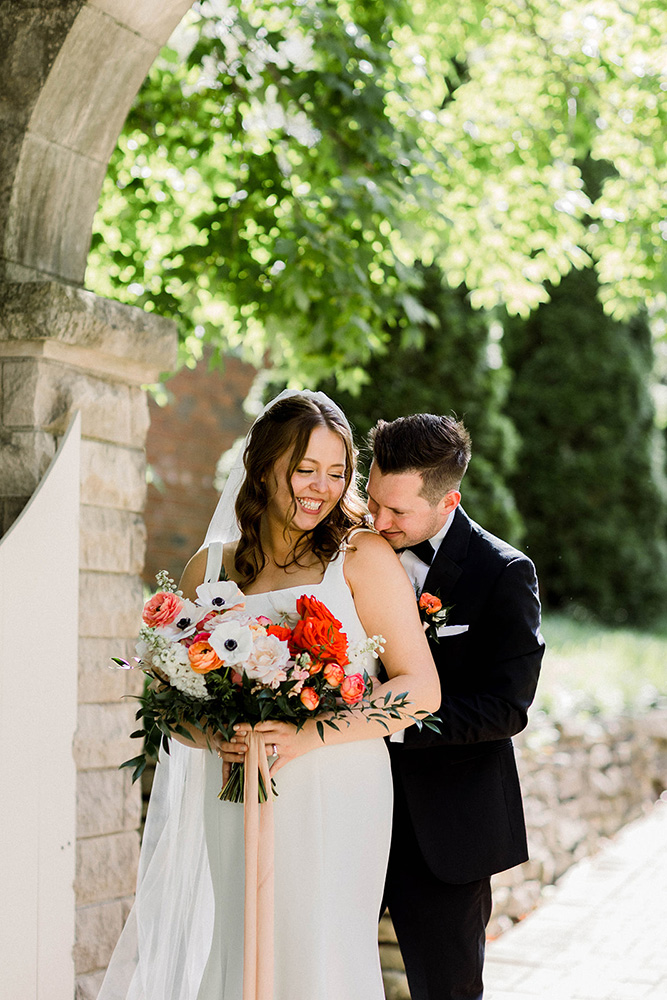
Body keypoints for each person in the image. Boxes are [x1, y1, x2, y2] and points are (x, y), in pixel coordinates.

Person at [97, 390, 440, 1000]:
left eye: (337, 473)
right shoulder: (210, 568)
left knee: (321, 946)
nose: (321, 488)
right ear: (262, 469)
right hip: (233, 788)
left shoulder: (359, 556)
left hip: (336, 783)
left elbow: (420, 689)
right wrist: (214, 734)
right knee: (241, 942)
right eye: (304, 469)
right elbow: (166, 692)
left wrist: (306, 734)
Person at [367, 413, 545, 1000]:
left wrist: (387, 728)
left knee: (447, 989)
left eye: (397, 512)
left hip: (447, 829)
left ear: (449, 501)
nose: (377, 521)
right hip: (346, 806)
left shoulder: (504, 573)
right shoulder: (349, 554)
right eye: (372, 501)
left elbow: (506, 707)